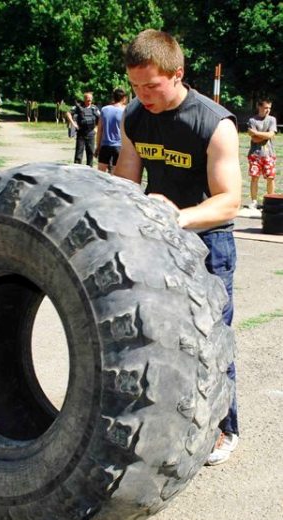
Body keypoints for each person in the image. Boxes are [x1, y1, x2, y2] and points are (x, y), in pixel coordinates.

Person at [114, 29, 241, 466]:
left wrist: (179, 218)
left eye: (152, 85)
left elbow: (230, 200)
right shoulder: (134, 116)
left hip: (208, 239)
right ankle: (168, 424)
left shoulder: (214, 123)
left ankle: (226, 428)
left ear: (177, 73)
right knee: (158, 339)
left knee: (211, 338)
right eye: (135, 86)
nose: (143, 95)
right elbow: (126, 179)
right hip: (157, 237)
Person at [245, 99, 277, 209]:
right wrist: (263, 135)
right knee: (254, 178)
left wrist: (257, 133)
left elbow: (271, 135)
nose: (268, 110)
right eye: (265, 108)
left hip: (269, 154)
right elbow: (254, 140)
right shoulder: (252, 120)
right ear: (259, 107)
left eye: (269, 108)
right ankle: (254, 201)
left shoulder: (272, 119)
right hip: (255, 154)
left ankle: (270, 200)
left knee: (270, 178)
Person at [95, 88, 127, 173]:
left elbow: (100, 130)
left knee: (101, 173)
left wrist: (98, 147)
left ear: (113, 97)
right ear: (124, 98)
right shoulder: (125, 110)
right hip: (119, 146)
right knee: (116, 173)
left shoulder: (104, 109)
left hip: (105, 145)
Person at [66, 92, 100, 167]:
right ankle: (77, 170)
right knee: (78, 154)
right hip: (81, 133)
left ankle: (90, 170)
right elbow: (68, 113)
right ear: (84, 99)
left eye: (90, 100)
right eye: (88, 100)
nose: (89, 102)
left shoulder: (94, 108)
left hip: (91, 133)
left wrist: (96, 128)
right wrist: (73, 123)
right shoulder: (79, 107)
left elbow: (100, 119)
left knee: (90, 153)